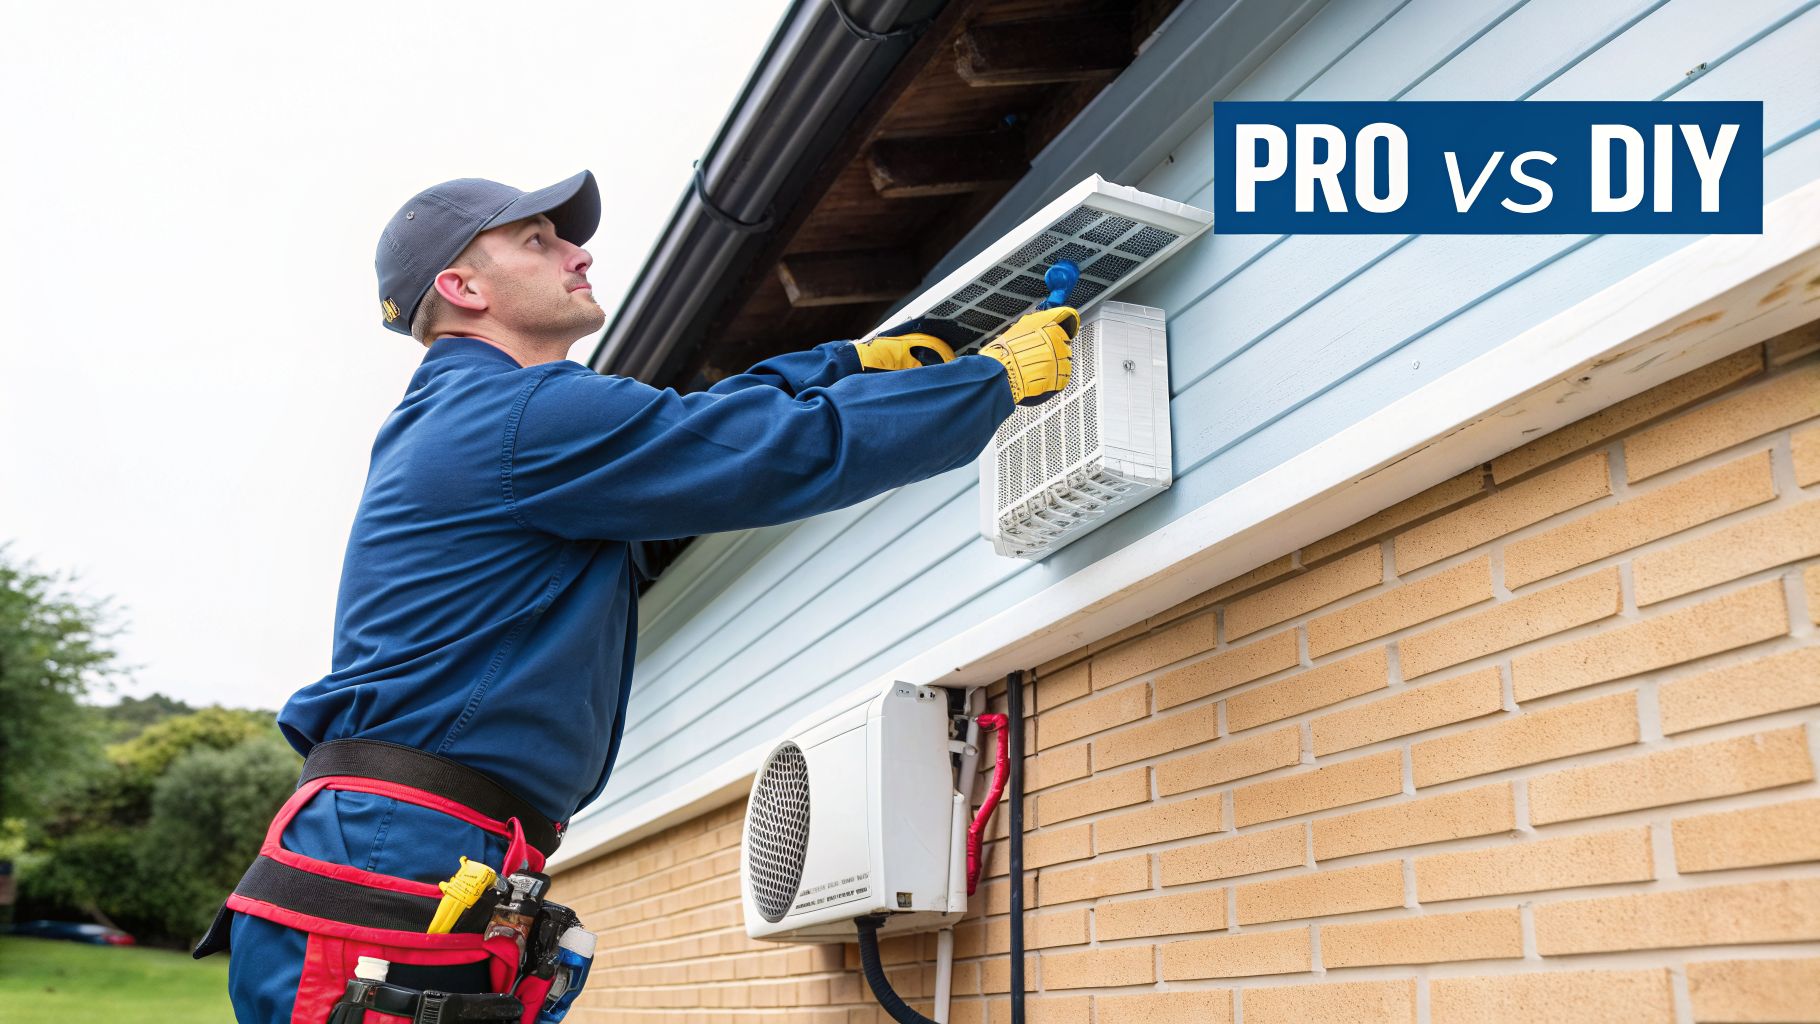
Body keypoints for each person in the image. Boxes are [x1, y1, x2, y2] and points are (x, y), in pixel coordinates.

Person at [199, 170, 1076, 1023]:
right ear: (462, 286)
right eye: (537, 240)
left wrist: (846, 360)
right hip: (405, 845)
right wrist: (988, 383)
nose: (577, 253)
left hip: (417, 840)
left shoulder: (495, 416)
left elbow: (690, 431)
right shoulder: (518, 415)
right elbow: (764, 450)